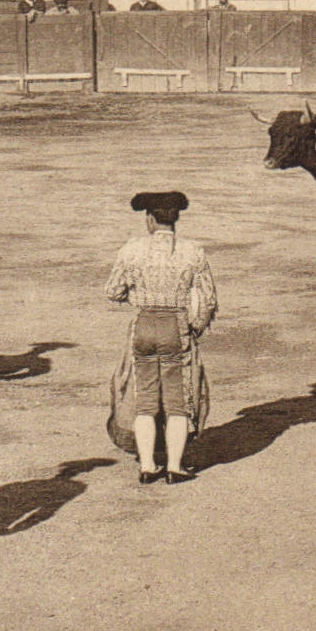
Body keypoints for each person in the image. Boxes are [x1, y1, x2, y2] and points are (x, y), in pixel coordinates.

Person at [105, 191, 217, 484]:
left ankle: (147, 466)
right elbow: (208, 299)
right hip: (176, 327)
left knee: (145, 400)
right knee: (177, 401)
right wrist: (195, 326)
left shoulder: (132, 250)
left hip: (143, 325)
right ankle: (175, 467)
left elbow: (113, 291)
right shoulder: (193, 251)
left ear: (150, 219)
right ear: (175, 219)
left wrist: (137, 296)